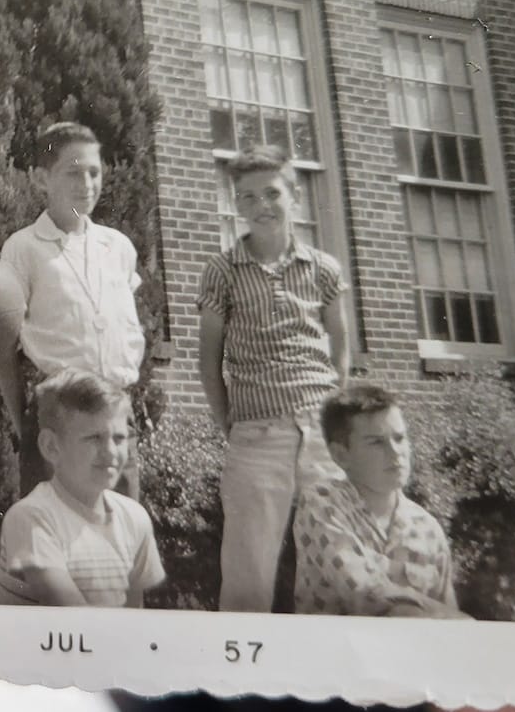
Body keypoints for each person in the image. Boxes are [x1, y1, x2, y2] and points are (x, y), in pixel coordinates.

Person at [197, 145, 351, 613]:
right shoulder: (222, 271)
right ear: (236, 205)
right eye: (246, 197)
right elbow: (209, 359)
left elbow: (341, 345)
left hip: (320, 434)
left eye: (271, 193)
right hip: (256, 434)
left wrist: (334, 409)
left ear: (295, 196)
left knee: (336, 563)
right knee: (248, 574)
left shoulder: (323, 269)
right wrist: (230, 422)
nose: (261, 206)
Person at [0, 122, 146, 499]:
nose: (87, 183)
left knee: (121, 526)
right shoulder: (24, 247)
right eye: (73, 172)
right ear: (43, 179)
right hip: (60, 407)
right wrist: (24, 419)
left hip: (116, 408)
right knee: (57, 531)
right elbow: (2, 346)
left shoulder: (118, 247)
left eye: (94, 172)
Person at [293, 385, 465, 619]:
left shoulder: (428, 529)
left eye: (399, 438)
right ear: (341, 455)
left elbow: (450, 620)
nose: (396, 453)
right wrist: (446, 617)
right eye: (376, 442)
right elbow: (364, 594)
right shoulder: (322, 503)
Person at [0, 369, 164, 607]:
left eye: (119, 438)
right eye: (94, 438)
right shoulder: (29, 519)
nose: (111, 452)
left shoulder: (134, 519)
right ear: (51, 447)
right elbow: (76, 622)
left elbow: (133, 618)